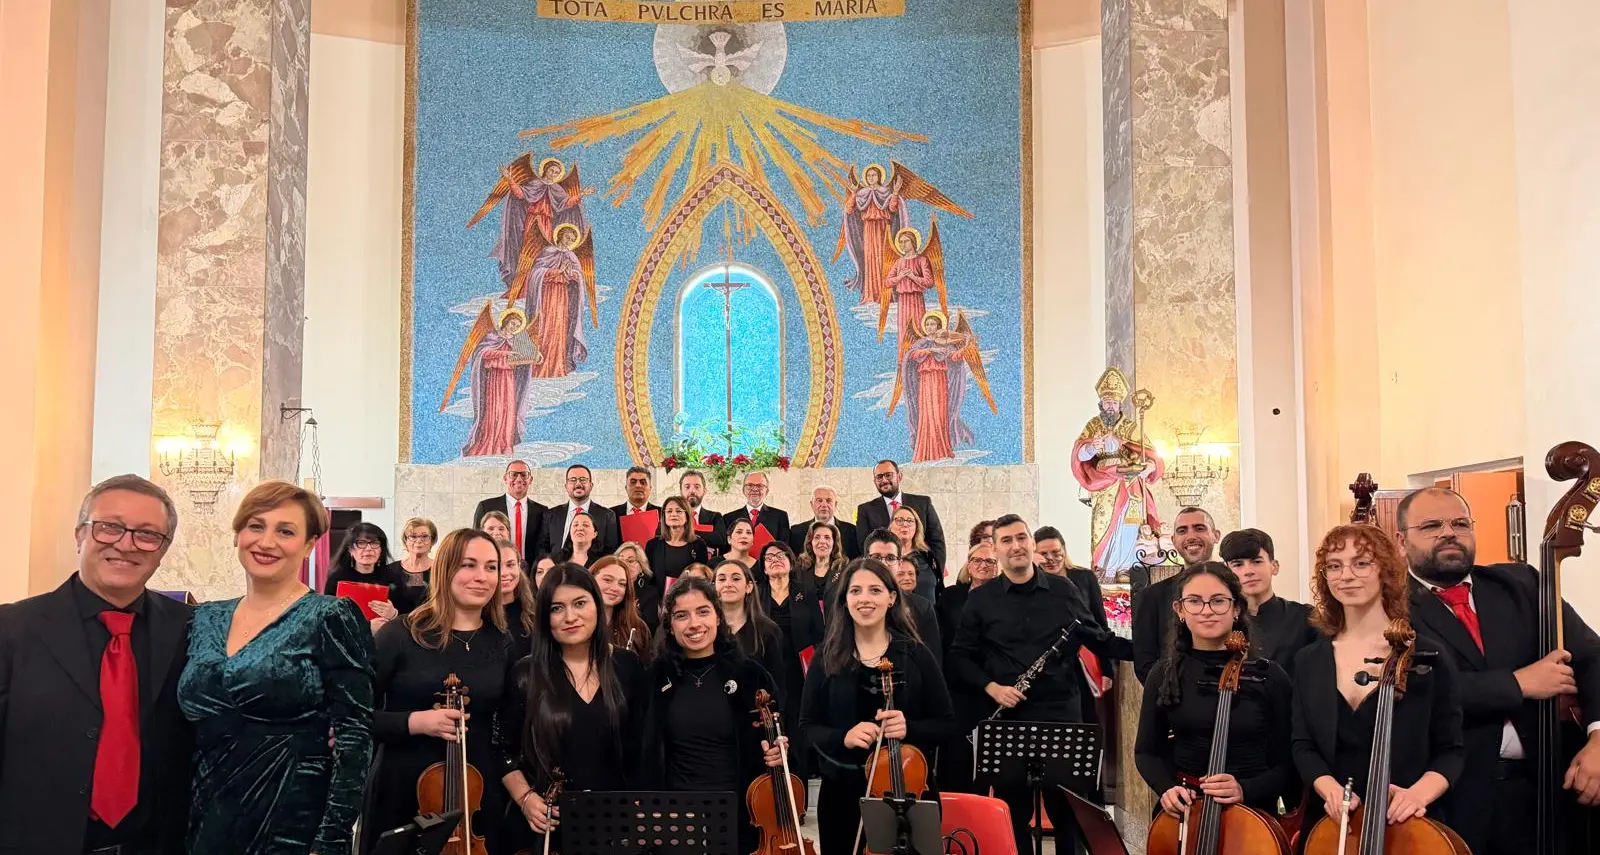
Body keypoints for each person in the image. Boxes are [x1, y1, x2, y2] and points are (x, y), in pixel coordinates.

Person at [1397, 487, 1600, 854]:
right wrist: (1517, 684)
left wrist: (1599, 738)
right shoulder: (1389, 608)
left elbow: (1592, 656)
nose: (1449, 532)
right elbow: (1415, 691)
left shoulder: (1522, 583)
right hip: (1456, 800)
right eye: (1431, 525)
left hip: (1550, 788)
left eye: (1460, 523)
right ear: (1401, 540)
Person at [0, 475, 193, 855]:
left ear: (163, 549)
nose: (126, 544)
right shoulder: (11, 630)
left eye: (147, 534)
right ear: (79, 535)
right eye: (109, 528)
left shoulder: (190, 629)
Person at [179, 481, 374, 855]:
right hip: (202, 822)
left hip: (293, 828)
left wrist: (330, 840)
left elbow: (354, 738)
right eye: (255, 526)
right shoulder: (204, 618)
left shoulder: (330, 616)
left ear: (308, 545)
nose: (266, 542)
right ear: (238, 535)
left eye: (285, 531)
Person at [950, 514, 1132, 854]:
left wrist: (1150, 652)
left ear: (1031, 544)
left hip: (1060, 713)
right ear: (997, 549)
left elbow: (1097, 637)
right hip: (1009, 716)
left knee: (1068, 812)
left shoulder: (1064, 590)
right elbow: (960, 656)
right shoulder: (982, 599)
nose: (1016, 546)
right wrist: (992, 688)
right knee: (1013, 812)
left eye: (1021, 538)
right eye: (1007, 541)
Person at [1291, 524, 1464, 841]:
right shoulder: (1309, 660)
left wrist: (1417, 796)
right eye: (1334, 566)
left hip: (1407, 825)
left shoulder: (1428, 654)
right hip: (1331, 830)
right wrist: (1327, 788)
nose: (1346, 575)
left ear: (1385, 571)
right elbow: (1303, 745)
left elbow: (1451, 751)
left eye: (1361, 563)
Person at [362, 528, 517, 855]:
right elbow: (353, 717)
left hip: (474, 791)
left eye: (491, 567)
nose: (482, 577)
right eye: (469, 565)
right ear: (446, 568)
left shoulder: (501, 641)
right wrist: (413, 723)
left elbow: (503, 726)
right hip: (401, 788)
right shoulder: (400, 634)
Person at [801, 559, 957, 855]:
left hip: (907, 792)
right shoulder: (827, 657)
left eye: (875, 590)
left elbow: (947, 724)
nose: (865, 599)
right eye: (855, 591)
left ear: (891, 598)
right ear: (845, 600)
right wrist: (842, 737)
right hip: (842, 796)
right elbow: (806, 728)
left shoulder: (915, 653)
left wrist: (910, 727)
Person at [499, 564, 649, 854]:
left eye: (580, 603)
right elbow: (503, 750)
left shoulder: (629, 667)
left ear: (597, 603)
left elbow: (644, 748)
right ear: (545, 617)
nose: (570, 617)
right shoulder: (525, 673)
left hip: (616, 824)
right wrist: (526, 799)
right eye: (557, 608)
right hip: (548, 826)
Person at [1135, 563, 1295, 822]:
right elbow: (1146, 752)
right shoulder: (1164, 673)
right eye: (1194, 601)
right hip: (1185, 811)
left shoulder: (1268, 676)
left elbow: (1288, 763)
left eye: (1218, 601)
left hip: (1251, 814)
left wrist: (1246, 789)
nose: (1207, 611)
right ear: (1180, 610)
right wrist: (1166, 788)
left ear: (1237, 608)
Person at [642, 576, 785, 853]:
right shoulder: (655, 678)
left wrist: (780, 750)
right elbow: (642, 751)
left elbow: (780, 737)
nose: (694, 624)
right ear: (670, 626)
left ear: (718, 618)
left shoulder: (750, 675)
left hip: (741, 816)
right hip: (675, 820)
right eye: (682, 615)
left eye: (703, 612)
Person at [935, 542, 1000, 794]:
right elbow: (940, 638)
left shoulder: (1002, 597)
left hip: (989, 685)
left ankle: (980, 812)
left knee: (983, 755)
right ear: (968, 564)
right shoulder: (951, 596)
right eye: (977, 560)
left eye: (990, 562)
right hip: (955, 684)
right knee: (955, 752)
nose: (983, 565)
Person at [756, 541, 824, 778]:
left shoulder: (805, 592)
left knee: (796, 728)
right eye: (769, 557)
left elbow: (819, 633)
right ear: (763, 568)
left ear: (790, 562)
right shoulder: (756, 593)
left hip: (798, 672)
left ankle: (799, 788)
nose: (775, 559)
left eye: (781, 555)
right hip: (765, 670)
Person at [1132, 507, 1221, 682]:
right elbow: (1145, 663)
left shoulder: (1235, 588)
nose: (1191, 536)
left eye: (1199, 528)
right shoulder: (1152, 596)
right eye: (1182, 531)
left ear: (1216, 535)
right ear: (1173, 540)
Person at [1038, 525, 1114, 718]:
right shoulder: (1033, 583)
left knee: (1086, 719)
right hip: (1048, 668)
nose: (1051, 559)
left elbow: (1099, 624)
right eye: (1043, 554)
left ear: (1064, 549)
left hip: (1083, 660)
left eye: (1056, 552)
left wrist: (1107, 669)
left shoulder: (1084, 577)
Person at [1221, 528, 1317, 677]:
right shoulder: (1220, 621)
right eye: (1238, 564)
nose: (1248, 571)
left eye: (1256, 561)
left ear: (1274, 566)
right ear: (1227, 572)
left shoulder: (1304, 618)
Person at [855, 459, 948, 574]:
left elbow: (937, 541)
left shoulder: (923, 503)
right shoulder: (865, 510)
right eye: (879, 477)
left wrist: (936, 574)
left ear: (899, 476)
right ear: (874, 481)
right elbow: (864, 547)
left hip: (920, 572)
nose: (884, 480)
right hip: (884, 573)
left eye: (888, 475)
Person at [865, 529, 942, 663]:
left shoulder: (922, 607)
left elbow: (933, 661)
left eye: (890, 558)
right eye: (876, 557)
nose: (883, 564)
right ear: (865, 560)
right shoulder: (850, 604)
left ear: (899, 564)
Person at [713, 559, 787, 688]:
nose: (728, 584)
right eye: (721, 579)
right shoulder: (706, 629)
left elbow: (778, 682)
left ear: (749, 587)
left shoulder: (769, 630)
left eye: (735, 579)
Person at [324, 521, 410, 627]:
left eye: (374, 543)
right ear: (350, 549)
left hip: (384, 638)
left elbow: (408, 615)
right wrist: (366, 627)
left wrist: (393, 614)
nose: (368, 549)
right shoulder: (338, 578)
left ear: (381, 549)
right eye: (361, 543)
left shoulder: (392, 577)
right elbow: (327, 618)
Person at [537, 464, 621, 559]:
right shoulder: (550, 515)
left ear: (591, 485)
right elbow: (542, 549)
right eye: (573, 480)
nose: (578, 484)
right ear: (566, 486)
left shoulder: (607, 516)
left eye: (583, 480)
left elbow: (611, 553)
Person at [473, 459, 546, 566]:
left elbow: (544, 546)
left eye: (524, 474)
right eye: (514, 474)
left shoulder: (542, 511)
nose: (519, 479)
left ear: (530, 479)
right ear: (505, 478)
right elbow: (476, 542)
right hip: (495, 568)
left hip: (530, 573)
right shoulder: (486, 507)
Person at [643, 495, 711, 591]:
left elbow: (702, 579)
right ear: (664, 516)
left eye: (679, 511)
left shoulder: (699, 545)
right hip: (658, 600)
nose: (673, 514)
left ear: (687, 516)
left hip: (689, 597)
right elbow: (648, 578)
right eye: (669, 511)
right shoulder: (652, 545)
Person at [592, 556, 651, 660]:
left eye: (622, 584)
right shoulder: (578, 623)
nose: (615, 588)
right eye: (607, 580)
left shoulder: (639, 627)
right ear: (591, 579)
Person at [789, 485, 861, 560]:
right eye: (819, 500)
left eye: (829, 500)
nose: (824, 505)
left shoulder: (851, 530)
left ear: (835, 504)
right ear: (811, 504)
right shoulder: (796, 532)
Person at [722, 470, 791, 546]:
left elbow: (785, 547)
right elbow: (725, 548)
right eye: (750, 485)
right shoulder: (729, 518)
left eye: (760, 486)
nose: (755, 489)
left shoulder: (780, 516)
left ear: (767, 491)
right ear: (743, 490)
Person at [887, 505, 939, 603]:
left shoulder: (928, 556)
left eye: (910, 521)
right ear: (891, 526)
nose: (905, 524)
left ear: (916, 527)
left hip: (929, 615)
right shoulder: (883, 557)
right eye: (899, 520)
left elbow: (938, 589)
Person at [497, 537, 538, 660]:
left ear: (519, 566)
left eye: (510, 565)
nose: (504, 573)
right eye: (496, 566)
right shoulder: (477, 615)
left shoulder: (535, 611)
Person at [799, 518, 849, 608]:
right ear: (811, 543)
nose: (822, 541)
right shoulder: (799, 569)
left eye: (827, 537)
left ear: (834, 543)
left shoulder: (844, 569)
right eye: (817, 537)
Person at [615, 540, 663, 632]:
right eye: (620, 560)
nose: (624, 564)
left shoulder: (650, 593)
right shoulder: (609, 589)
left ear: (641, 567)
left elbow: (648, 627)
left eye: (631, 560)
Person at [391, 516, 438, 609]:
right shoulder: (390, 570)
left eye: (424, 536)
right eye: (413, 536)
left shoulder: (441, 569)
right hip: (397, 622)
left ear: (432, 541)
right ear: (406, 540)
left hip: (432, 622)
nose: (419, 540)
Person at [678, 469, 728, 556]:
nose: (692, 491)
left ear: (704, 491)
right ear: (680, 491)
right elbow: (664, 537)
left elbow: (721, 540)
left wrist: (685, 532)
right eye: (687, 487)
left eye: (697, 487)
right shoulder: (671, 516)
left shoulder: (715, 517)